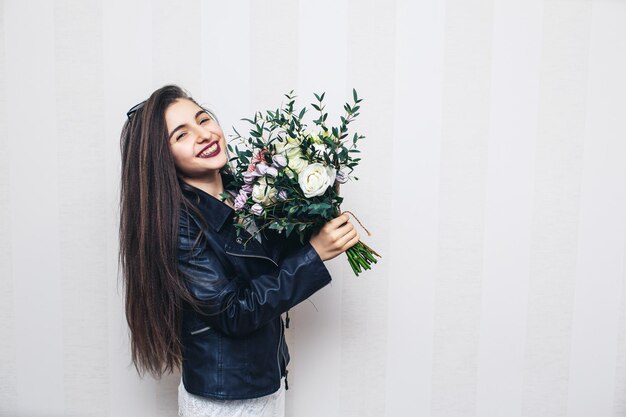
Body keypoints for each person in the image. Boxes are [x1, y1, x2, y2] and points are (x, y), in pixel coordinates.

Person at [118, 84, 359, 416]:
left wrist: (317, 199)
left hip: (265, 380)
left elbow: (266, 262)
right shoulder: (179, 225)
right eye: (182, 135)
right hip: (225, 398)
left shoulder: (244, 191)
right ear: (162, 158)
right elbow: (234, 312)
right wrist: (314, 254)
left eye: (203, 119)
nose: (204, 134)